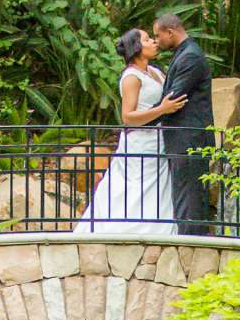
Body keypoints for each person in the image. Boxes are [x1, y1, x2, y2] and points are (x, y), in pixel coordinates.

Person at [75, 27, 186, 232]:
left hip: (159, 138)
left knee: (158, 186)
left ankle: (160, 228)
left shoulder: (155, 72)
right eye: (146, 40)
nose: (153, 42)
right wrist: (162, 109)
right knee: (136, 186)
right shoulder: (131, 77)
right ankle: (127, 228)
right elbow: (128, 117)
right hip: (141, 140)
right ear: (136, 47)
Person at [154, 12, 214, 236]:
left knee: (190, 197)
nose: (157, 41)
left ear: (170, 32)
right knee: (184, 194)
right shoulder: (184, 53)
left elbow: (173, 97)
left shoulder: (191, 57)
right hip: (182, 138)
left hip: (189, 138)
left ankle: (192, 245)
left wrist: (143, 119)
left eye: (158, 35)